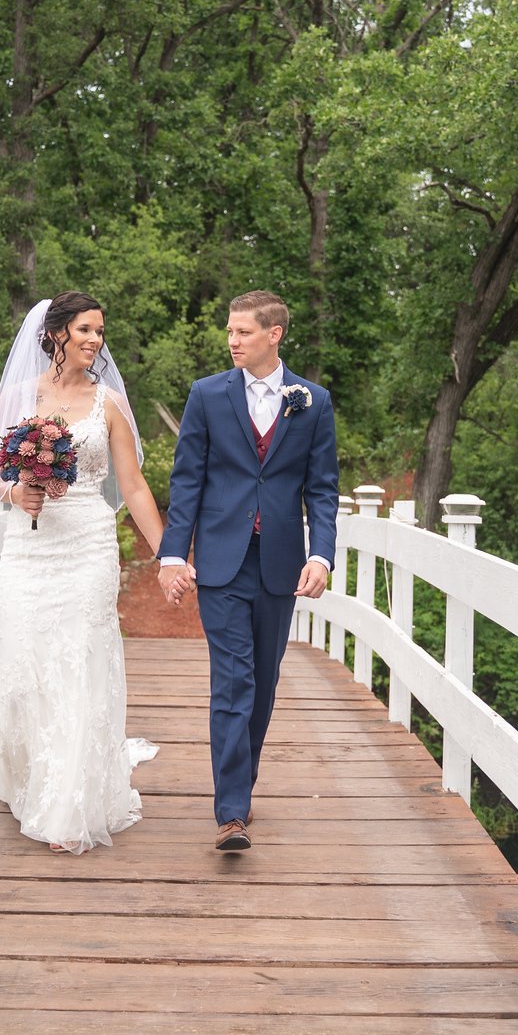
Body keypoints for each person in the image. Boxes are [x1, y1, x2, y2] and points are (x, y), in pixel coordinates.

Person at [0, 292, 166, 854]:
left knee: (81, 658)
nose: (95, 340)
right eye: (84, 329)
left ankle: (68, 802)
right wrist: (17, 490)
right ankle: (31, 775)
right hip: (30, 552)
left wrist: (169, 554)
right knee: (30, 658)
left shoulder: (109, 404)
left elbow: (131, 487)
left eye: (100, 332)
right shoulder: (18, 398)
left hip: (86, 544)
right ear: (54, 333)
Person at [156, 291, 339, 851]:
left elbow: (322, 490)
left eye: (243, 332)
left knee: (263, 685)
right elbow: (187, 480)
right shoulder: (207, 395)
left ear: (274, 334)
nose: (232, 341)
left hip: (281, 563)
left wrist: (320, 555)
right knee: (233, 682)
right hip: (221, 561)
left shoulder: (312, 401)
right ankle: (230, 812)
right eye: (230, 332)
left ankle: (243, 784)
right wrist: (171, 554)